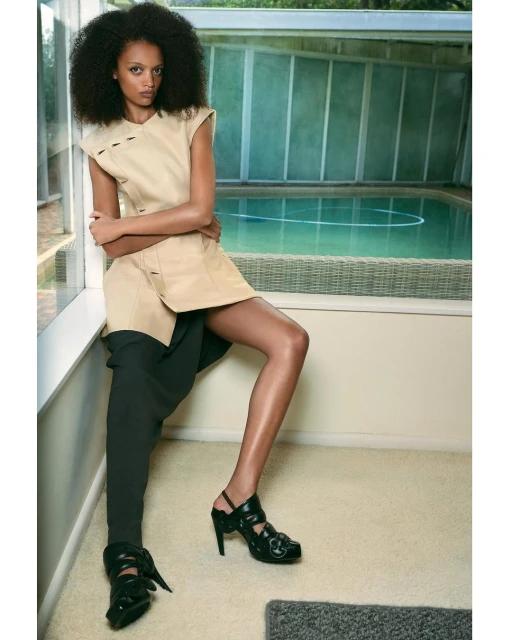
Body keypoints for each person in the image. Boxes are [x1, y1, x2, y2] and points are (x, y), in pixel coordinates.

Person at [70, 2, 309, 629]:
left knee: (290, 340)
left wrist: (139, 223)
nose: (148, 80)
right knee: (129, 395)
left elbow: (200, 209)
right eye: (135, 70)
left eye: (156, 69)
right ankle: (124, 555)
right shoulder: (98, 145)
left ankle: (239, 498)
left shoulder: (193, 119)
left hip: (198, 269)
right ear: (111, 73)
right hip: (139, 281)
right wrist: (173, 224)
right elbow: (112, 247)